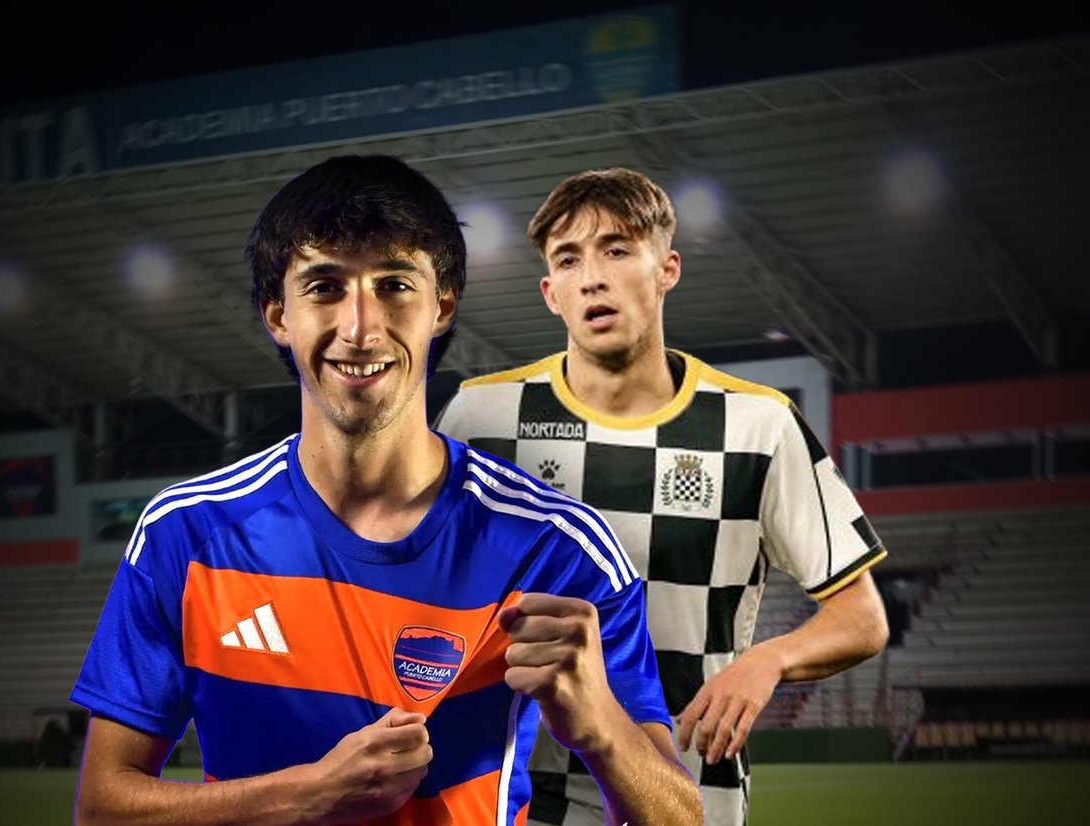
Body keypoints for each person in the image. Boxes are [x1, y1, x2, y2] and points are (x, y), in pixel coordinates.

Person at [70, 155, 701, 826]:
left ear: (441, 306)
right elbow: (102, 809)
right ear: (278, 315)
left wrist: (601, 728)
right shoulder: (187, 533)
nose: (360, 328)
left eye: (395, 284)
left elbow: (681, 818)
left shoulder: (557, 548)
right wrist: (308, 795)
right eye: (324, 287)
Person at [436, 167, 890, 826]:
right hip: (524, 802)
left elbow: (863, 617)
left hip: (687, 797)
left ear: (666, 269)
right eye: (568, 259)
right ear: (551, 293)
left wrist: (767, 661)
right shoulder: (481, 420)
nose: (592, 277)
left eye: (616, 250)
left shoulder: (758, 426)